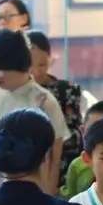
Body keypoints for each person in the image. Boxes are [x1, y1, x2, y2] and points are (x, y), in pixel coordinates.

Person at [0, 29, 69, 194]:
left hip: (28, 191)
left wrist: (47, 197)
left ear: (15, 64)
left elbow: (54, 159)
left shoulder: (43, 101)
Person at [29, 31, 84, 186]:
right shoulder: (17, 93)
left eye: (42, 65)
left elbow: (74, 136)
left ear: (50, 59)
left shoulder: (67, 90)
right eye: (30, 66)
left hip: (63, 166)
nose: (37, 71)